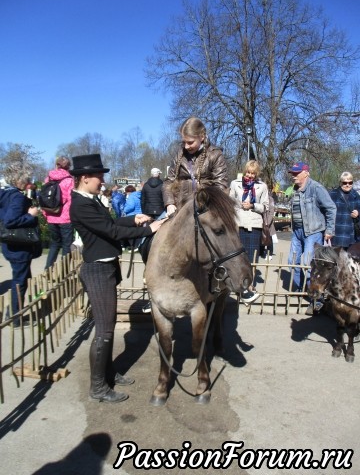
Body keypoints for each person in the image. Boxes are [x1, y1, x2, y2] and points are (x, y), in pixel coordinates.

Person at [69, 153, 164, 403]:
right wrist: (147, 229)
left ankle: (108, 372)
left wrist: (134, 218)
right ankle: (98, 387)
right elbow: (110, 231)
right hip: (97, 271)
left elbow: (110, 222)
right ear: (85, 177)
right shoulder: (79, 204)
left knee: (107, 328)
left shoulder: (91, 199)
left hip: (106, 268)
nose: (102, 180)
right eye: (99, 176)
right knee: (104, 331)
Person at [159, 116, 257, 308]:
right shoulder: (179, 155)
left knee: (226, 240)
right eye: (184, 142)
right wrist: (169, 203)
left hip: (207, 210)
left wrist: (202, 203)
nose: (186, 146)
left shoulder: (215, 155)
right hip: (180, 210)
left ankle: (239, 285)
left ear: (202, 137)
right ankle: (154, 289)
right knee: (156, 236)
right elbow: (169, 182)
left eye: (190, 142)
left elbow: (221, 186)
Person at [287, 161, 336, 315]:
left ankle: (316, 299)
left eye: (297, 173)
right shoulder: (294, 189)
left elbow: (330, 208)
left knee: (309, 265)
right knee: (292, 262)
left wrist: (329, 229)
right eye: (292, 173)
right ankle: (301, 289)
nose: (293, 176)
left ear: (306, 173)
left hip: (313, 231)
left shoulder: (316, 188)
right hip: (297, 232)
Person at [0, 168, 40, 326]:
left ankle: (14, 311)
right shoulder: (16, 197)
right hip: (18, 246)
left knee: (23, 278)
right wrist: (31, 215)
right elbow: (10, 221)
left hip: (9, 245)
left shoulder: (4, 194)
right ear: (20, 182)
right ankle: (15, 317)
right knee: (20, 281)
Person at [229, 161, 269, 304]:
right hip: (239, 223)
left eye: (253, 173)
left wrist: (252, 205)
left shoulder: (262, 187)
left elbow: (265, 207)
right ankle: (239, 284)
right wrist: (239, 205)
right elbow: (230, 201)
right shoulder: (235, 184)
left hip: (254, 224)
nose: (250, 175)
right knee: (238, 256)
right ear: (244, 171)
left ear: (256, 174)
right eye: (248, 172)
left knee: (252, 258)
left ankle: (250, 285)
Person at [43, 156, 74, 270]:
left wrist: (46, 214)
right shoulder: (69, 180)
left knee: (54, 244)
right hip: (65, 217)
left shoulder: (48, 179)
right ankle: (64, 272)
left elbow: (44, 198)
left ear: (56, 165)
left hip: (51, 216)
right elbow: (71, 200)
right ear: (68, 166)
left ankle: (48, 269)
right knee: (67, 245)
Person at [329, 171, 360, 249]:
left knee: (349, 259)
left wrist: (358, 212)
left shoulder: (356, 195)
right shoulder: (332, 194)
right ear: (340, 183)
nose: (347, 185)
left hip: (351, 234)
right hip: (337, 233)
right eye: (345, 183)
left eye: (350, 183)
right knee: (336, 258)